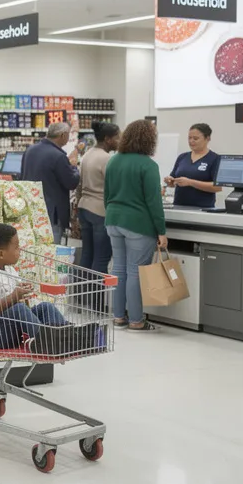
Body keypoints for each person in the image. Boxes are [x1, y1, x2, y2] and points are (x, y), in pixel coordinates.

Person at [104, 119, 166, 332]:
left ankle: (118, 317)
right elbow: (154, 202)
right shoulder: (148, 165)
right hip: (138, 224)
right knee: (135, 273)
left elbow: (107, 194)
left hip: (113, 220)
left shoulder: (113, 161)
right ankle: (137, 320)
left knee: (118, 269)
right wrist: (161, 231)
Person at [0, 223, 70, 349]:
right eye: (16, 247)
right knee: (18, 308)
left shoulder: (10, 270)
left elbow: (19, 303)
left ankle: (65, 335)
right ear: (0, 254)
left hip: (14, 328)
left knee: (46, 307)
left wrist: (23, 292)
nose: (20, 250)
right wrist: (15, 296)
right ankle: (46, 342)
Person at [20, 122, 81, 242]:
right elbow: (71, 183)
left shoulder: (30, 150)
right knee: (51, 248)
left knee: (34, 246)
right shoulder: (58, 156)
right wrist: (74, 167)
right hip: (51, 214)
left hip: (31, 207)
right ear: (63, 135)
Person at [75, 122, 120, 273]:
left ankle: (84, 288)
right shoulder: (107, 158)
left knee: (87, 254)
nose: (119, 141)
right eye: (117, 137)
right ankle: (97, 290)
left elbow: (79, 184)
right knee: (101, 258)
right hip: (100, 211)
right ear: (108, 139)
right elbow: (114, 186)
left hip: (84, 207)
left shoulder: (88, 154)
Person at [165, 123, 222, 209]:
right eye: (189, 138)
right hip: (179, 207)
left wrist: (190, 182)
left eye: (195, 138)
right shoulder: (182, 157)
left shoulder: (214, 159)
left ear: (207, 138)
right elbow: (173, 180)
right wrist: (170, 181)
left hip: (203, 209)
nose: (191, 141)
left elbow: (217, 187)